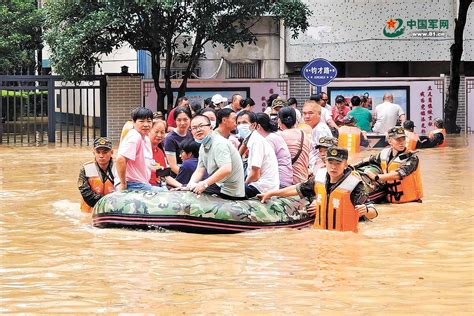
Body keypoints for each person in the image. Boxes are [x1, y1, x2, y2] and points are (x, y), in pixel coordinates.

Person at [258, 147, 378, 232]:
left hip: (344, 238)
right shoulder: (319, 177)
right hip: (320, 234)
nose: (333, 167)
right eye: (330, 162)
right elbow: (298, 188)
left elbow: (373, 212)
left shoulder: (355, 185)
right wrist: (272, 193)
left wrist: (366, 209)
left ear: (346, 164)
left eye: (338, 163)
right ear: (325, 162)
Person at [353, 126, 423, 203]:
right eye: (398, 139)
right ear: (390, 141)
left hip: (410, 202)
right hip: (389, 198)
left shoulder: (412, 157)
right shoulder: (384, 153)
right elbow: (370, 159)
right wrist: (353, 166)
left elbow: (399, 174)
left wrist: (376, 177)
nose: (402, 142)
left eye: (403, 139)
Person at [184, 115, 246, 199]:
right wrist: (190, 184)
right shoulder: (203, 146)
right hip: (218, 187)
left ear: (211, 127)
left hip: (230, 192)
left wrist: (204, 184)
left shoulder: (219, 143)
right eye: (194, 128)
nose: (198, 130)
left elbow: (226, 169)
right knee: (188, 191)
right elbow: (200, 170)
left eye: (201, 126)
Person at [116, 107, 162, 192]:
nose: (146, 124)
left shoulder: (146, 139)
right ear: (133, 122)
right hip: (132, 184)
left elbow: (146, 162)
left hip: (142, 183)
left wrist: (160, 169)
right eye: (141, 121)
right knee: (165, 194)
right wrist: (123, 184)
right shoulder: (134, 137)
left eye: (149, 121)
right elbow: (120, 159)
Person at [236, 110, 279, 198]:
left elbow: (255, 174)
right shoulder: (251, 139)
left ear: (254, 125)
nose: (240, 126)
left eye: (244, 123)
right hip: (260, 185)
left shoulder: (256, 142)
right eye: (238, 123)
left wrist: (243, 185)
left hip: (262, 188)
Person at [78, 137, 117, 213]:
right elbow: (85, 192)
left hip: (112, 210)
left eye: (105, 152)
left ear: (112, 152)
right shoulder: (85, 168)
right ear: (93, 153)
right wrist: (107, 201)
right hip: (89, 212)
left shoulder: (119, 168)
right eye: (98, 152)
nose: (101, 155)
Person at [256, 113, 293, 188]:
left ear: (258, 126)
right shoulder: (274, 135)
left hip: (279, 181)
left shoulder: (269, 139)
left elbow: (265, 164)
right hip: (284, 179)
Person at [277, 106, 310, 184]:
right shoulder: (304, 135)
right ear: (295, 120)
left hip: (284, 184)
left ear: (279, 121)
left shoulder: (278, 136)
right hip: (302, 183)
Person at [302, 100, 332, 175]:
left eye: (310, 113)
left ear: (319, 114)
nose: (307, 116)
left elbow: (325, 155)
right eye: (304, 113)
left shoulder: (320, 129)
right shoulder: (315, 128)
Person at [148, 119, 181, 188]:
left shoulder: (160, 152)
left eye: (162, 132)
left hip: (158, 187)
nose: (159, 135)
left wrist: (182, 186)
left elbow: (164, 175)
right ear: (148, 131)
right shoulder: (142, 150)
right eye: (156, 132)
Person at [164, 107, 193, 175]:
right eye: (179, 120)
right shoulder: (170, 139)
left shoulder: (191, 134)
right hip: (178, 175)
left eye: (185, 119)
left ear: (190, 119)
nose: (182, 123)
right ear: (175, 121)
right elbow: (173, 166)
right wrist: (189, 177)